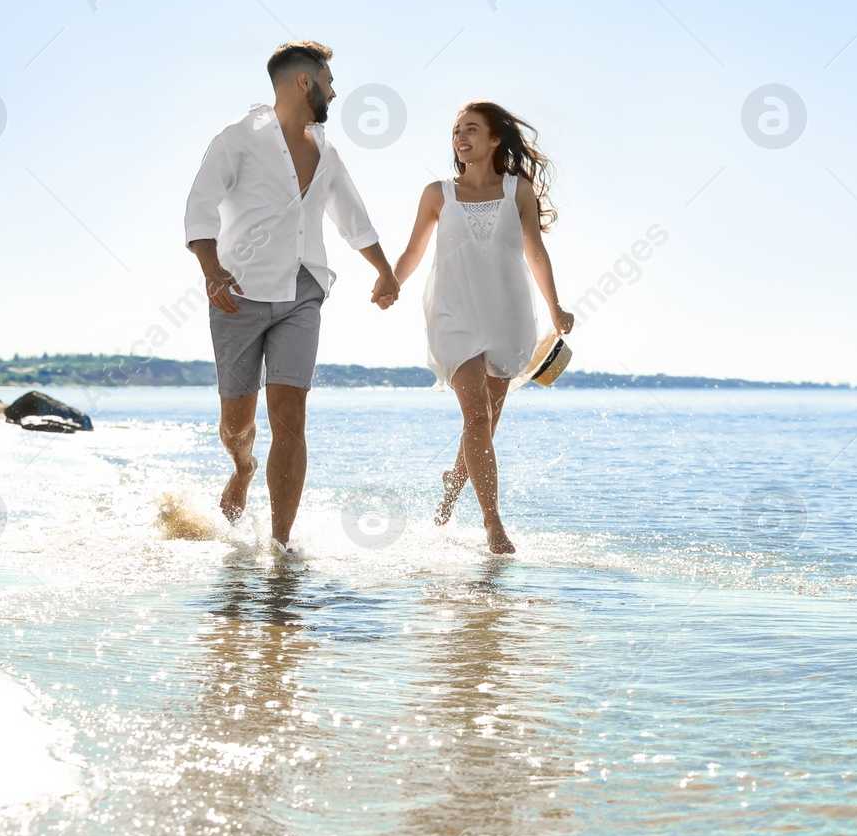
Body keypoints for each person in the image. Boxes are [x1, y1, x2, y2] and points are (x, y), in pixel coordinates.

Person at [184, 40, 399, 557]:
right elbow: (200, 206)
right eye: (328, 81)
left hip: (304, 290)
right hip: (238, 293)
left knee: (290, 413)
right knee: (237, 424)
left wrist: (385, 270)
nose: (334, 91)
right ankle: (242, 466)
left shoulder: (326, 148)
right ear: (305, 82)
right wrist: (212, 272)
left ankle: (280, 546)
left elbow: (353, 215)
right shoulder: (237, 138)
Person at [392, 102, 574, 554]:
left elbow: (536, 252)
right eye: (456, 131)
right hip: (453, 315)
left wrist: (555, 307)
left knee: (484, 423)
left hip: (506, 315)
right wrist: (390, 281)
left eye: (471, 129)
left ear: (495, 139)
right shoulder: (438, 193)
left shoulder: (519, 192)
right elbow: (414, 250)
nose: (461, 137)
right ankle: (494, 527)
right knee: (476, 417)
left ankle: (454, 484)